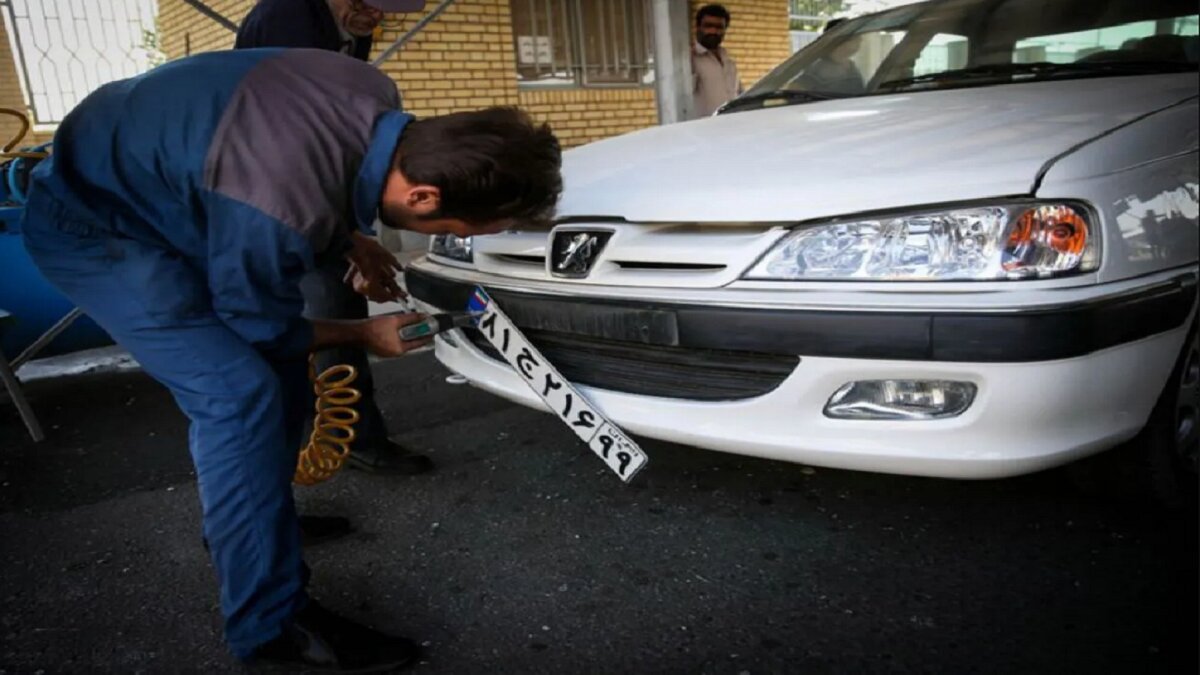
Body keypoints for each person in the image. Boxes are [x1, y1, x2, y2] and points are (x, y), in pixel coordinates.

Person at [20, 47, 562, 671]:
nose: (461, 238)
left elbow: (301, 158)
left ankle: (249, 526)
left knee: (279, 380)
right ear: (423, 196)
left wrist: (353, 237)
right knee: (237, 394)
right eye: (466, 227)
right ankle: (271, 631)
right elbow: (264, 323)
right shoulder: (277, 209)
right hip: (98, 229)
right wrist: (367, 337)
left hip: (174, 189)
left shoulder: (371, 89)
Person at [236, 0, 437, 480]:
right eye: (369, 3)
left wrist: (355, 233)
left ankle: (335, 435)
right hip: (267, 197)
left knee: (330, 305)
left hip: (301, 195)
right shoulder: (291, 16)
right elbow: (298, 143)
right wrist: (348, 237)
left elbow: (337, 137)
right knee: (313, 315)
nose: (378, 18)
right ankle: (344, 438)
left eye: (389, 9)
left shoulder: (348, 23)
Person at [691, 4, 743, 118]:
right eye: (708, 25)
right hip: (702, 129)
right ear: (698, 27)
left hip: (732, 125)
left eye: (719, 27)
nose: (713, 31)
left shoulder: (728, 59)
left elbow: (738, 93)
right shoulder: (689, 60)